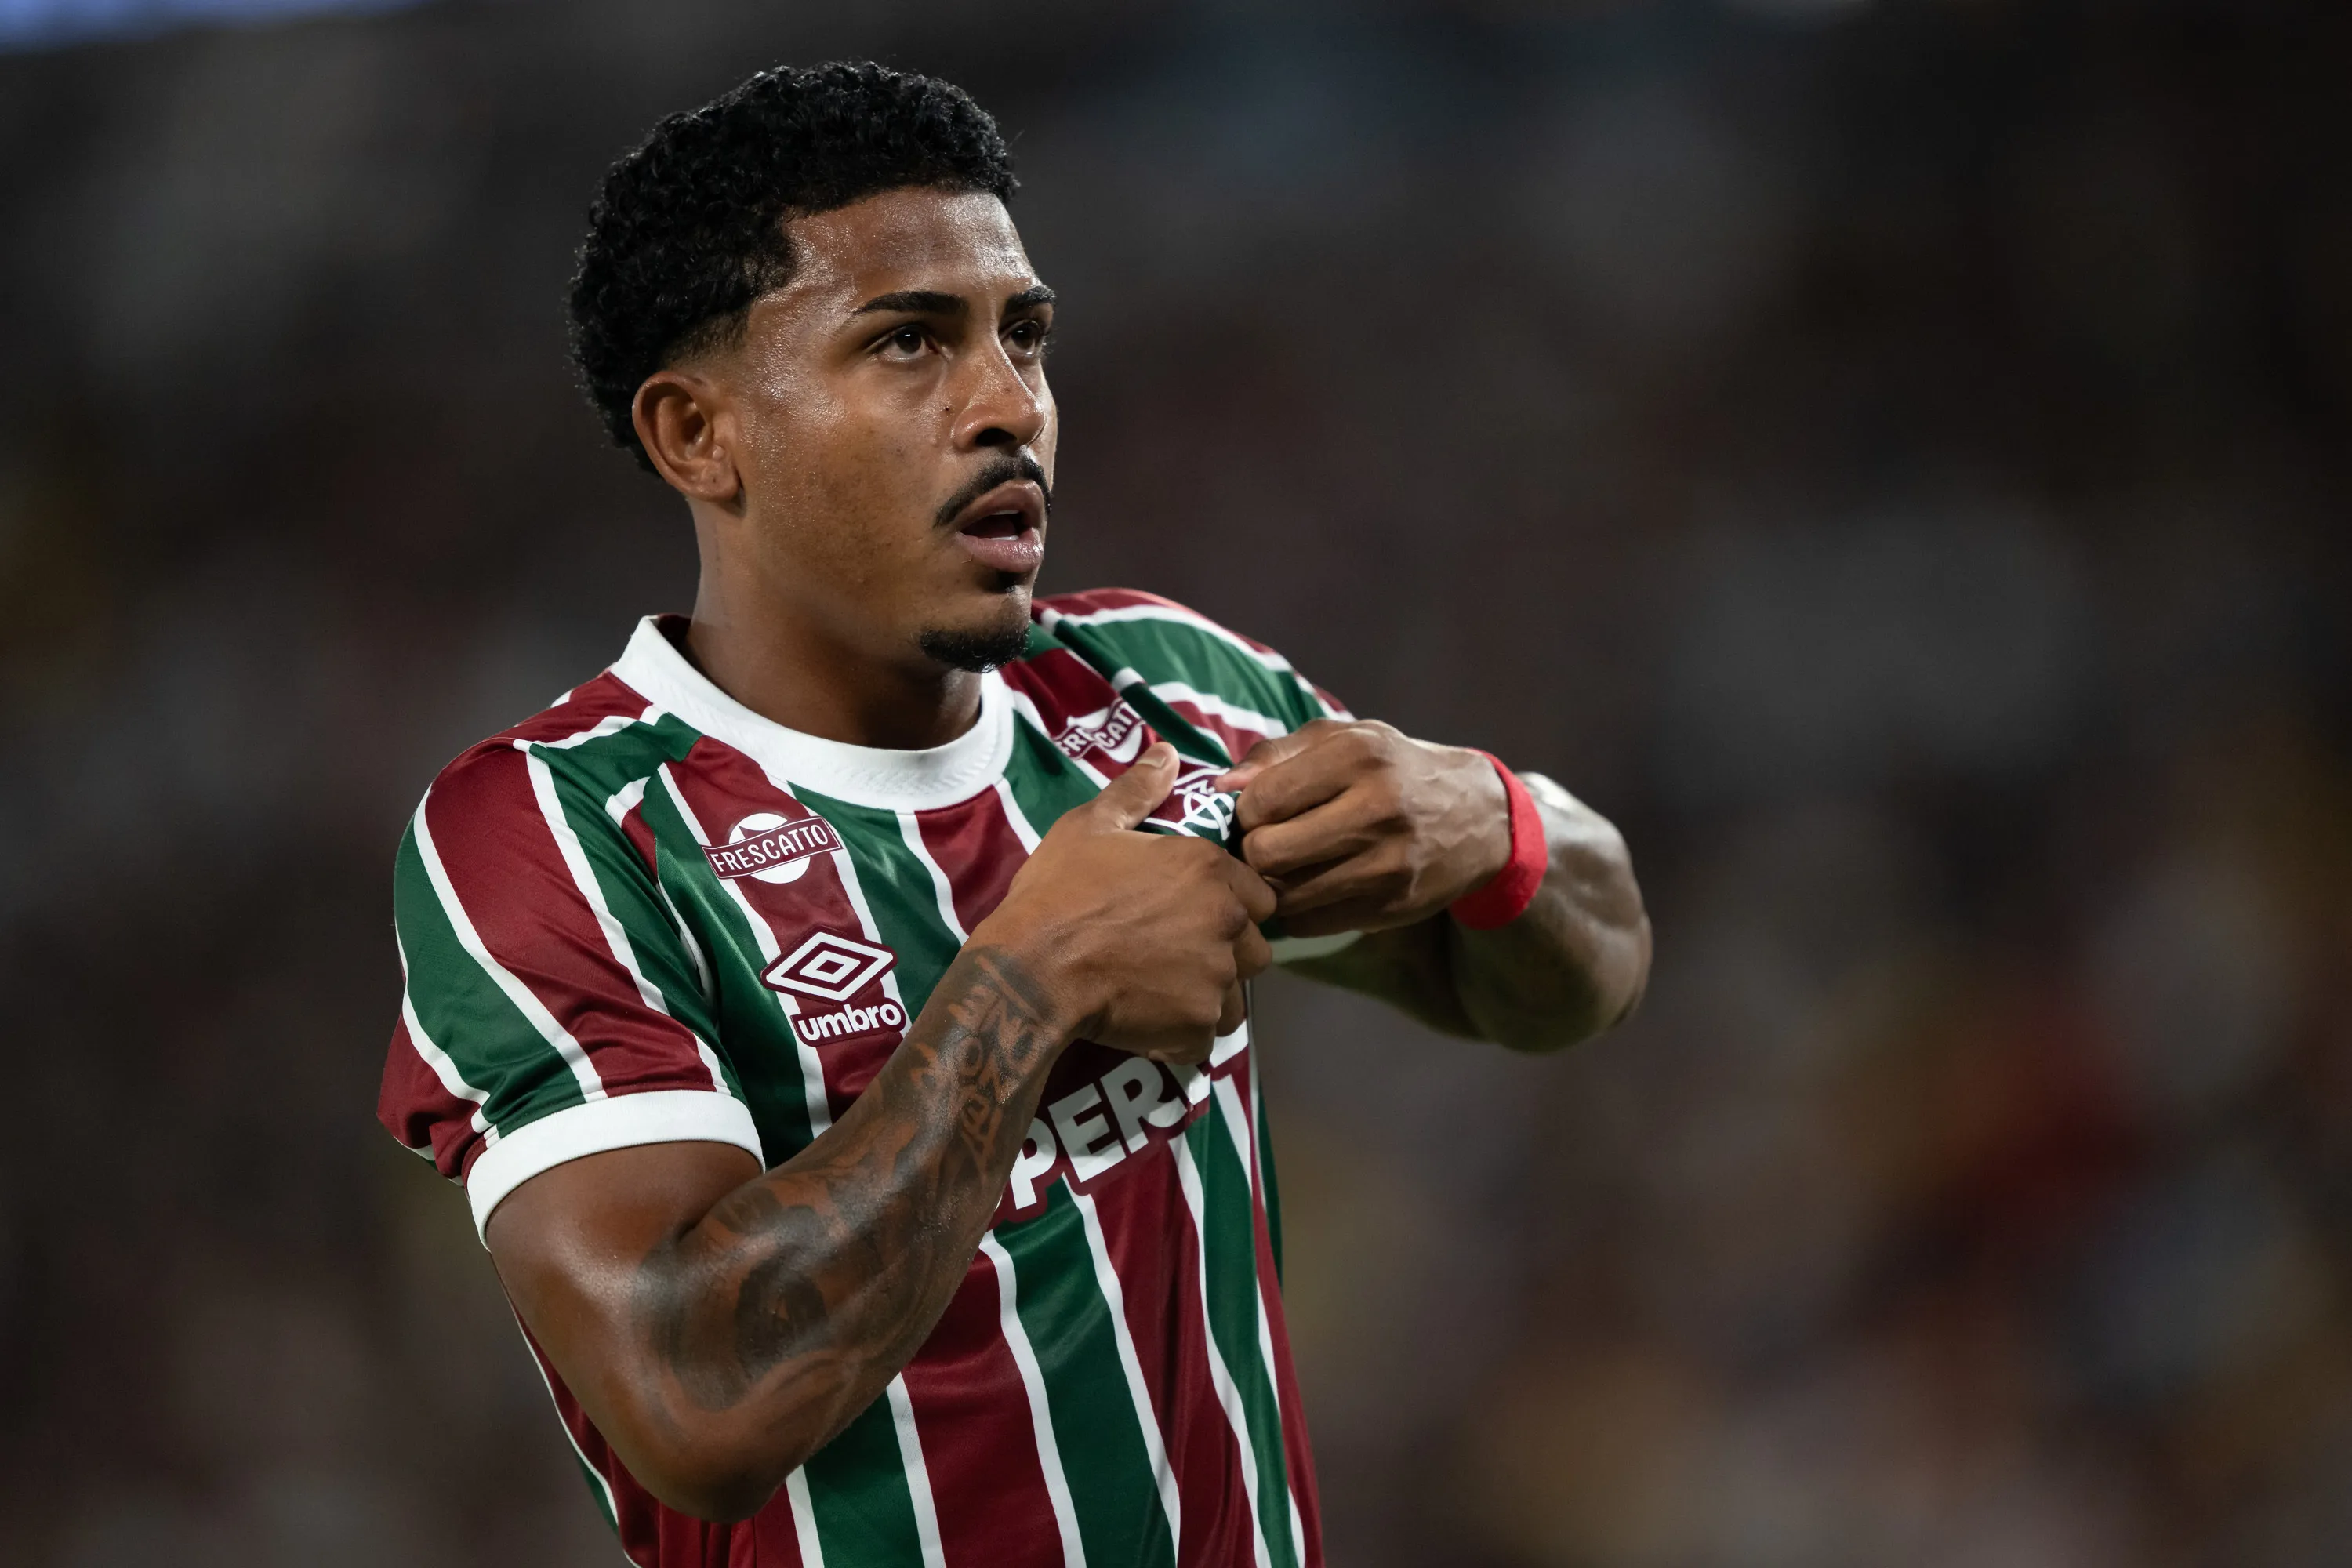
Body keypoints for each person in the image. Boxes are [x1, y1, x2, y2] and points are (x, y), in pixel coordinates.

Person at [377, 60, 1650, 1568]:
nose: (1009, 407)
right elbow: (690, 1398)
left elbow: (1575, 974)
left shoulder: (1155, 693)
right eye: (909, 343)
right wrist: (1028, 987)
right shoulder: (558, 828)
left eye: (1023, 336)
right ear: (697, 436)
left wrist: (1491, 820)